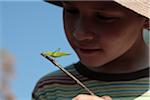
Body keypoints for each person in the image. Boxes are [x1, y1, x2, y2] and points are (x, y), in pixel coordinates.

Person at [32, 0, 150, 100]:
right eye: (71, 10)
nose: (79, 34)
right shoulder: (50, 89)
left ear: (146, 20)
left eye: (104, 17)